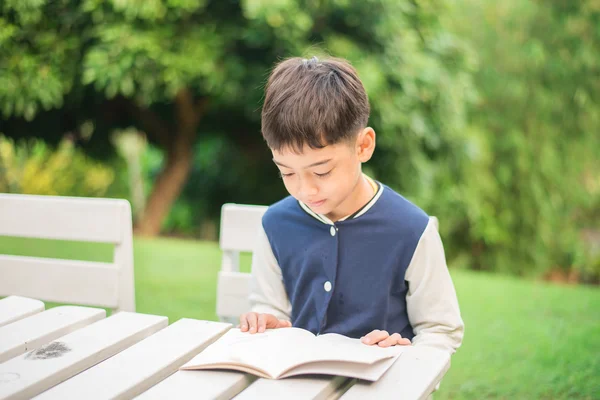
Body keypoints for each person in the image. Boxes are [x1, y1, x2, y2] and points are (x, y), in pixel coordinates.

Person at [239, 56, 464, 353]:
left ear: (363, 146)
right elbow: (271, 308)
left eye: (321, 171)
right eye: (287, 172)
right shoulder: (275, 224)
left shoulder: (412, 230)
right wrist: (266, 322)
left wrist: (403, 353)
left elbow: (441, 330)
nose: (305, 189)